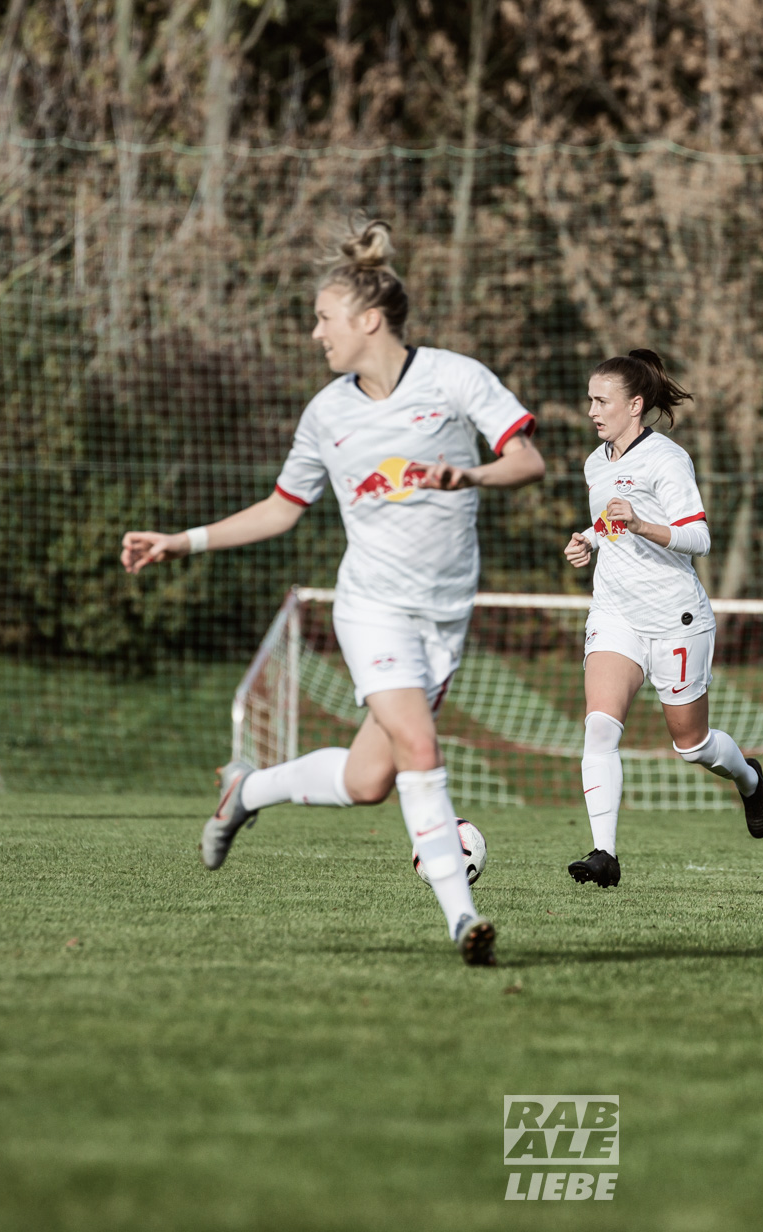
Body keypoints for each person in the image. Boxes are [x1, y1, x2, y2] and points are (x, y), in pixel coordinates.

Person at [121, 219, 543, 966]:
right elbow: (283, 509)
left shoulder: (455, 378)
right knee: (419, 743)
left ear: (368, 319)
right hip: (371, 607)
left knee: (371, 778)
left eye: (324, 318)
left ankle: (246, 792)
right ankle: (462, 918)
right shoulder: (327, 412)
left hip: (444, 616)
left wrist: (470, 473)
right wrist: (181, 540)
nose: (315, 333)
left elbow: (527, 460)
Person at [560, 349, 763, 888]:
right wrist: (588, 540)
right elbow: (612, 522)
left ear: (635, 405)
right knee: (599, 727)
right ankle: (603, 854)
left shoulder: (667, 460)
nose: (591, 410)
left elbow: (698, 538)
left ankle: (749, 778)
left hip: (675, 617)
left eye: (600, 400)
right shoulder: (595, 463)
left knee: (692, 745)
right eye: (589, 399)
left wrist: (642, 523)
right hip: (615, 614)